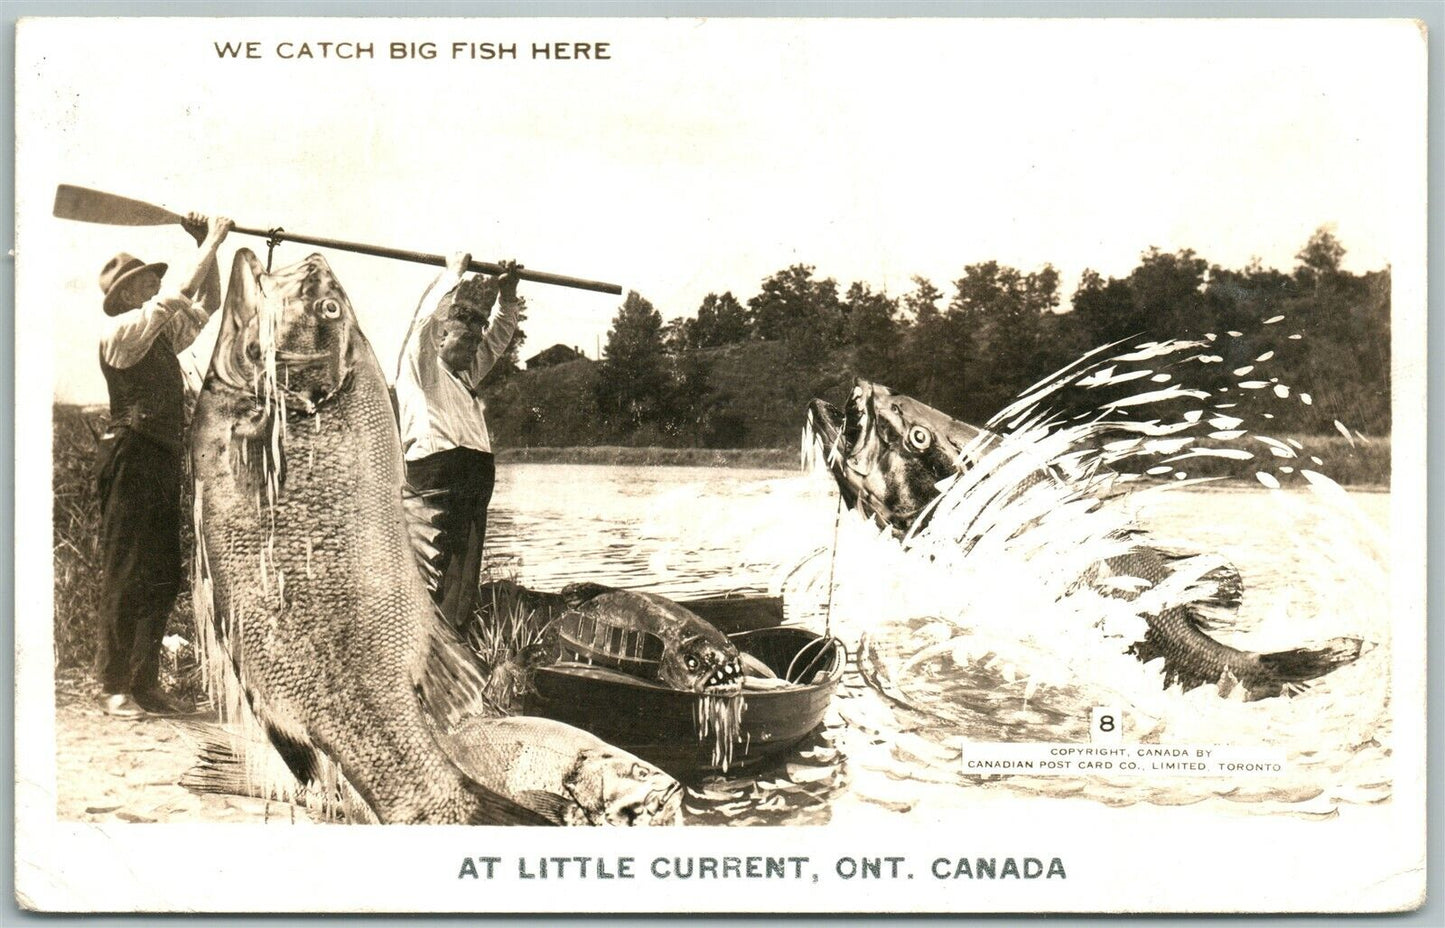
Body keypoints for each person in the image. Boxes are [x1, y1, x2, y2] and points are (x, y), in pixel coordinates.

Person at [94, 213, 233, 718]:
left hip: (157, 457)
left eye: (153, 276)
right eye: (145, 280)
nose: (155, 280)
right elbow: (175, 297)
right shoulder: (125, 330)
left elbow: (206, 303)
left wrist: (207, 247)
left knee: (161, 573)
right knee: (126, 570)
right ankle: (113, 686)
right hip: (129, 455)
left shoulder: (158, 338)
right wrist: (213, 238)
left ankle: (143, 683)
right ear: (129, 294)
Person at [395, 251, 524, 630]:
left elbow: (498, 338)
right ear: (441, 338)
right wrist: (452, 275)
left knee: (462, 585)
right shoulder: (420, 371)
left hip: (471, 481)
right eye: (466, 340)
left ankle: (456, 650)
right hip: (436, 482)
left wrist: (509, 294)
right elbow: (425, 322)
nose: (474, 348)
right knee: (430, 578)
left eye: (475, 341)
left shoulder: (464, 375)